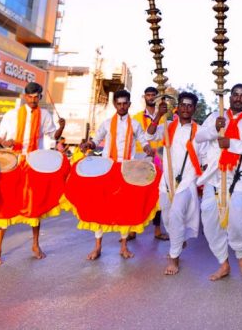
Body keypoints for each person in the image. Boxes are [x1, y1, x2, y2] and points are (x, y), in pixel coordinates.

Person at [0, 82, 66, 265]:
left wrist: (61, 128)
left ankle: (36, 245)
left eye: (36, 97)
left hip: (34, 164)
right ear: (24, 96)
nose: (32, 100)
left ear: (40, 96)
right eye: (29, 97)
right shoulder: (11, 114)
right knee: (5, 206)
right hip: (13, 164)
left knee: (35, 206)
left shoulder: (45, 115)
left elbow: (53, 136)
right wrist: (4, 143)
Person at [82, 89, 165, 260]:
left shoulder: (135, 125)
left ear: (129, 104)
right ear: (115, 105)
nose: (121, 106)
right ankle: (98, 247)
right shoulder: (106, 123)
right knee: (100, 207)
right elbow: (96, 140)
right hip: (107, 168)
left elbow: (144, 141)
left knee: (126, 207)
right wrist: (88, 144)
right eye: (118, 104)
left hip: (127, 170)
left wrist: (150, 150)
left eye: (124, 103)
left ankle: (124, 247)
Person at [196, 84, 242, 280]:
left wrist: (231, 144)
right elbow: (199, 137)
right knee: (209, 222)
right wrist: (215, 130)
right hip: (214, 178)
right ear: (230, 97)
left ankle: (240, 254)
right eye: (235, 94)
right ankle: (223, 263)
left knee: (237, 221)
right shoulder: (215, 117)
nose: (239, 98)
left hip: (239, 179)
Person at [160, 92, 204, 275]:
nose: (186, 108)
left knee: (177, 214)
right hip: (166, 181)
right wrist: (157, 116)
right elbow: (149, 135)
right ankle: (179, 239)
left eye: (190, 105)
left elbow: (205, 156)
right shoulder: (167, 125)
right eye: (183, 105)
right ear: (177, 106)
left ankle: (174, 256)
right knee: (168, 217)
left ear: (194, 108)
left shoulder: (200, 131)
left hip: (187, 181)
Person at [133, 86, 169, 241]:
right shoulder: (135, 117)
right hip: (141, 158)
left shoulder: (165, 117)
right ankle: (133, 228)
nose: (151, 97)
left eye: (154, 95)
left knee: (158, 194)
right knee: (137, 193)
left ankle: (157, 229)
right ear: (144, 97)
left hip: (160, 159)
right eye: (148, 95)